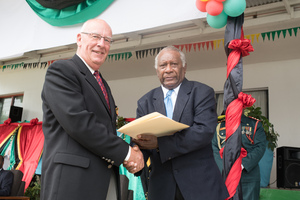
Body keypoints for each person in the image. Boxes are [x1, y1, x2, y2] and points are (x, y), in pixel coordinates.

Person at [41, 19, 144, 200]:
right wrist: (127, 153)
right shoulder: (62, 70)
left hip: (103, 181)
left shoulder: (102, 82)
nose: (101, 44)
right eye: (95, 36)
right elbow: (79, 123)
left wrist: (134, 146)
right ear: (79, 39)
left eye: (107, 40)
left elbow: (105, 129)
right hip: (72, 182)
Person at [131, 46, 229, 200]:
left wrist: (159, 143)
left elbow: (203, 132)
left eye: (174, 64)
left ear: (184, 68)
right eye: (163, 65)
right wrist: (135, 154)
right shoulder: (145, 102)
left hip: (200, 186)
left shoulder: (202, 93)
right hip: (162, 188)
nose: (168, 69)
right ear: (157, 70)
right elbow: (140, 139)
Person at [212, 113, 267, 200]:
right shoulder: (219, 127)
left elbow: (260, 147)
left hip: (248, 178)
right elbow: (214, 148)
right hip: (225, 177)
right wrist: (224, 167)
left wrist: (242, 165)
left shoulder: (254, 124)